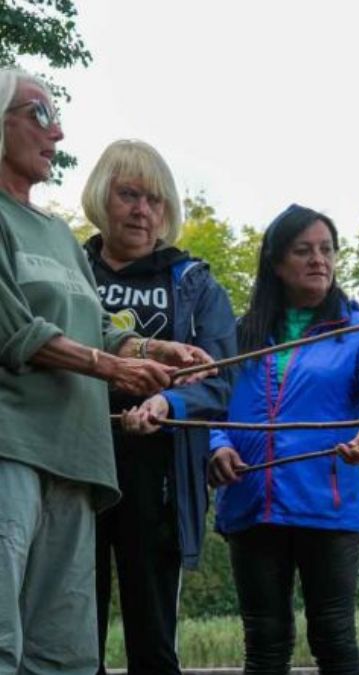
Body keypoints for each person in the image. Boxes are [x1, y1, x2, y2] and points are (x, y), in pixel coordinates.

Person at [0, 68, 213, 673]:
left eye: (57, 117)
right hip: (12, 450)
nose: (58, 132)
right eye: (39, 114)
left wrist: (150, 351)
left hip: (80, 462)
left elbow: (97, 324)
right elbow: (16, 331)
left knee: (64, 654)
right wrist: (111, 368)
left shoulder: (59, 236)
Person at [207, 203, 359, 674]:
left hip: (330, 506)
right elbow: (209, 403)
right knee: (264, 642)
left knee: (334, 637)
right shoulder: (241, 335)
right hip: (250, 502)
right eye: (303, 250)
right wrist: (217, 443)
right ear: (277, 263)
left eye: (327, 249)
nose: (319, 259)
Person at [80, 139, 237, 674]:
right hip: (75, 468)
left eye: (155, 199)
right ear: (103, 196)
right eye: (128, 194)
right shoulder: (71, 269)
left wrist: (167, 401)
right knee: (74, 633)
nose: (142, 210)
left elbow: (222, 379)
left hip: (161, 479)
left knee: (153, 639)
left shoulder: (195, 283)